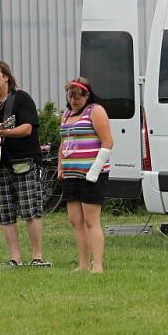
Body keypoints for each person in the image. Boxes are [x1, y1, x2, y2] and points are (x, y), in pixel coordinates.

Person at [0, 61, 50, 267]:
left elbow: (26, 128)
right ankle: (15, 257)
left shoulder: (21, 99)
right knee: (5, 212)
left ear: (6, 77)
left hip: (23, 162)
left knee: (31, 210)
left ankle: (37, 257)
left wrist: (5, 132)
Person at [58, 77, 113, 273]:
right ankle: (83, 264)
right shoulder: (66, 114)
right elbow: (64, 142)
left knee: (91, 221)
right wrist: (60, 166)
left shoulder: (96, 111)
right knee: (75, 220)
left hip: (92, 175)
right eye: (70, 97)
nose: (73, 101)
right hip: (71, 174)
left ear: (87, 95)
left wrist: (94, 171)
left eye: (78, 97)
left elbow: (108, 143)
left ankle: (97, 266)